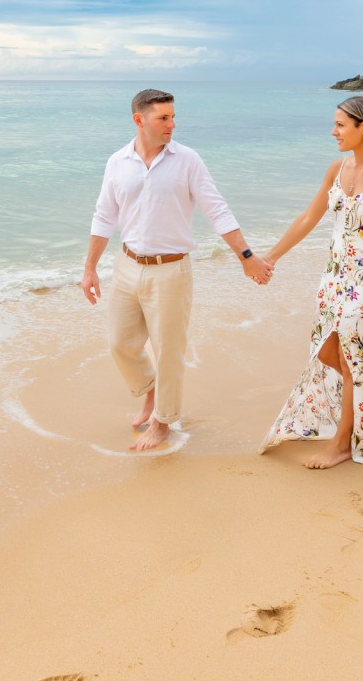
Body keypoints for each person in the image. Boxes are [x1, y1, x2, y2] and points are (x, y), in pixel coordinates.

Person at [81, 89, 274, 452]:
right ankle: (152, 394)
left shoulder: (187, 160)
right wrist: (90, 269)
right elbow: (104, 215)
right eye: (163, 118)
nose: (172, 124)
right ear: (139, 120)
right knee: (120, 343)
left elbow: (216, 209)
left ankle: (163, 422)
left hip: (171, 270)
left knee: (169, 351)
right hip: (126, 265)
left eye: (173, 117)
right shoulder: (117, 162)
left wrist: (246, 255)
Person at [258, 95, 363, 469]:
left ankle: (342, 442)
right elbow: (309, 217)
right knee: (326, 351)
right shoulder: (337, 168)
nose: (333, 131)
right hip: (334, 278)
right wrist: (270, 256)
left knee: (354, 360)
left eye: (340, 124)